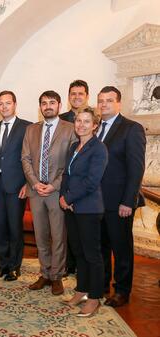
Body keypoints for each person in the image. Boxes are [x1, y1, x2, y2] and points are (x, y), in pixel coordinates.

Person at [21, 91, 75, 295]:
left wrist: (54, 185)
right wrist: (34, 183)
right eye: (44, 103)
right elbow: (25, 158)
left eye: (52, 103)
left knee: (58, 235)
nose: (48, 106)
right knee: (41, 235)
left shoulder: (70, 129)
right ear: (40, 107)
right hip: (36, 191)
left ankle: (57, 276)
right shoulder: (31, 130)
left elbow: (71, 163)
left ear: (59, 105)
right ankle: (44, 273)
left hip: (56, 191)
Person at [97, 86, 146, 307]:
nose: (104, 104)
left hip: (119, 202)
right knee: (101, 246)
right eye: (100, 100)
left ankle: (122, 291)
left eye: (109, 100)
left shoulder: (131, 129)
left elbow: (136, 169)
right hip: (96, 201)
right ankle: (103, 285)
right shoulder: (96, 129)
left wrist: (128, 201)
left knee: (121, 247)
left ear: (119, 103)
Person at [60, 107, 108, 317]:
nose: (81, 125)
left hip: (88, 209)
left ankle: (95, 297)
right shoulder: (73, 146)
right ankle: (81, 290)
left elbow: (91, 182)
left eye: (86, 121)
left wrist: (69, 198)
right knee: (78, 252)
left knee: (92, 255)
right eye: (78, 121)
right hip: (71, 208)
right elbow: (66, 175)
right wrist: (63, 196)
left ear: (95, 125)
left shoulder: (99, 149)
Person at [0, 90, 31, 281]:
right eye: (1, 104)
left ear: (15, 104)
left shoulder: (26, 127)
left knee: (14, 227)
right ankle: (3, 265)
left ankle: (14, 266)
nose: (4, 107)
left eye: (7, 103)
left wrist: (28, 183)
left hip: (16, 186)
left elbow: (30, 157)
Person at [59, 80, 89, 275]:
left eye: (80, 93)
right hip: (65, 179)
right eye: (73, 93)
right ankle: (68, 265)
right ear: (68, 96)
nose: (76, 97)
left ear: (86, 95)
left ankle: (84, 268)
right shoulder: (60, 119)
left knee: (86, 232)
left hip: (87, 183)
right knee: (67, 229)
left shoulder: (94, 118)